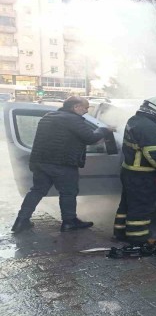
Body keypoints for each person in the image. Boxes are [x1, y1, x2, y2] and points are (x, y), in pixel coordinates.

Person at [11, 96, 114, 233]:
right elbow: (90, 138)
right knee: (68, 192)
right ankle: (69, 222)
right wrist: (104, 129)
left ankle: (21, 221)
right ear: (76, 107)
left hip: (40, 162)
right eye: (85, 107)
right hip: (62, 164)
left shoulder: (49, 116)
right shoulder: (72, 119)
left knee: (37, 191)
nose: (86, 111)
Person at [112, 96, 156, 243]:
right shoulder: (149, 127)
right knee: (142, 206)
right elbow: (154, 154)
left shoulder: (136, 120)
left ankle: (121, 232)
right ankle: (139, 238)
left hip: (130, 171)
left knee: (127, 204)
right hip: (143, 175)